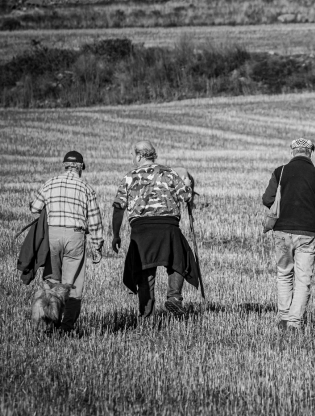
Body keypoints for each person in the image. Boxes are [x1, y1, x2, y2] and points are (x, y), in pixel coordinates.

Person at [111, 141, 199, 318]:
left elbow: (119, 207)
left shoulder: (129, 177)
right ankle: (174, 298)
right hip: (168, 226)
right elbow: (187, 197)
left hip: (141, 230)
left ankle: (146, 315)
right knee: (179, 259)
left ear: (139, 155)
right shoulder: (169, 173)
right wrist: (188, 184)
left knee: (145, 271)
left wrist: (116, 234)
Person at [262, 138, 315, 331]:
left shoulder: (280, 171)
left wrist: (283, 206)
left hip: (282, 231)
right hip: (307, 233)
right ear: (310, 153)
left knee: (284, 274)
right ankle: (294, 322)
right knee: (303, 279)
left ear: (293, 152)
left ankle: (284, 318)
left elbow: (267, 198)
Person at [29, 150, 103, 333]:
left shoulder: (50, 183)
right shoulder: (86, 188)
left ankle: (48, 323)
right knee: (73, 286)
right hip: (75, 237)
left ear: (65, 166)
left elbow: (35, 208)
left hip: (52, 236)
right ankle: (66, 327)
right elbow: (94, 220)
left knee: (51, 283)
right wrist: (97, 246)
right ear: (80, 168)